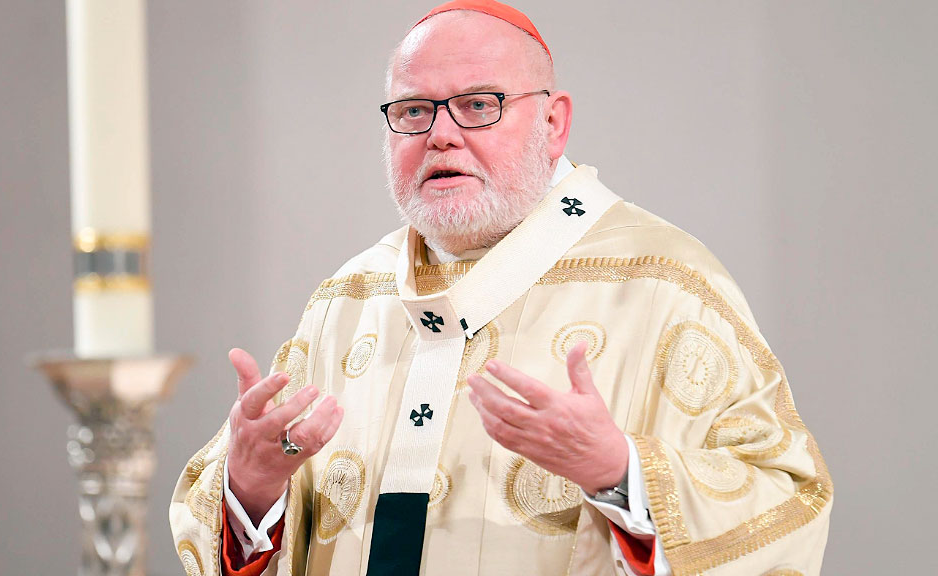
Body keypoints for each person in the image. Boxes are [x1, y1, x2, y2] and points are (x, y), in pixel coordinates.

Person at [169, 1, 833, 574]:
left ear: (553, 124)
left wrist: (620, 469)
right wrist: (251, 489)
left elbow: (787, 501)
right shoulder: (346, 301)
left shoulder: (665, 283)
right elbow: (234, 531)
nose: (442, 134)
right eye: (413, 110)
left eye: (479, 105)